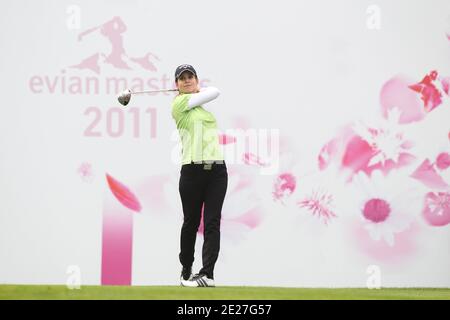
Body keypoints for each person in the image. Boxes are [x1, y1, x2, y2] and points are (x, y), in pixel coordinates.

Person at [171, 64, 228, 287]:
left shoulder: (204, 109)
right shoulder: (178, 104)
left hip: (217, 170)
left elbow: (215, 91)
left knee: (212, 222)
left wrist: (197, 92)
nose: (187, 80)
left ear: (196, 80)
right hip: (192, 170)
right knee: (191, 223)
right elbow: (214, 92)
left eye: (190, 77)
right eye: (182, 78)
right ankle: (186, 266)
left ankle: (207, 275)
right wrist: (195, 92)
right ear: (176, 85)